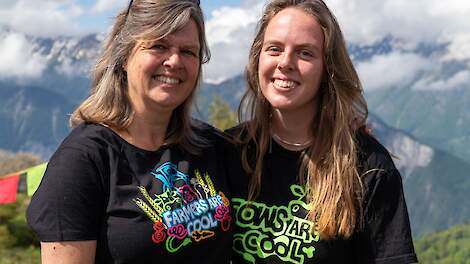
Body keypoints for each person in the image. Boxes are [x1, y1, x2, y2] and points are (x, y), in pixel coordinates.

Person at [27, 0, 233, 263]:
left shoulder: (212, 146)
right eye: (158, 46)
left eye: (188, 51)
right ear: (124, 57)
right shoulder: (82, 161)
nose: (174, 61)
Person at [226, 0, 418, 263]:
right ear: (258, 58)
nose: (285, 62)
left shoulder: (367, 166)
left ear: (328, 68)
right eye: (274, 49)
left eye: (305, 53)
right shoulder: (227, 152)